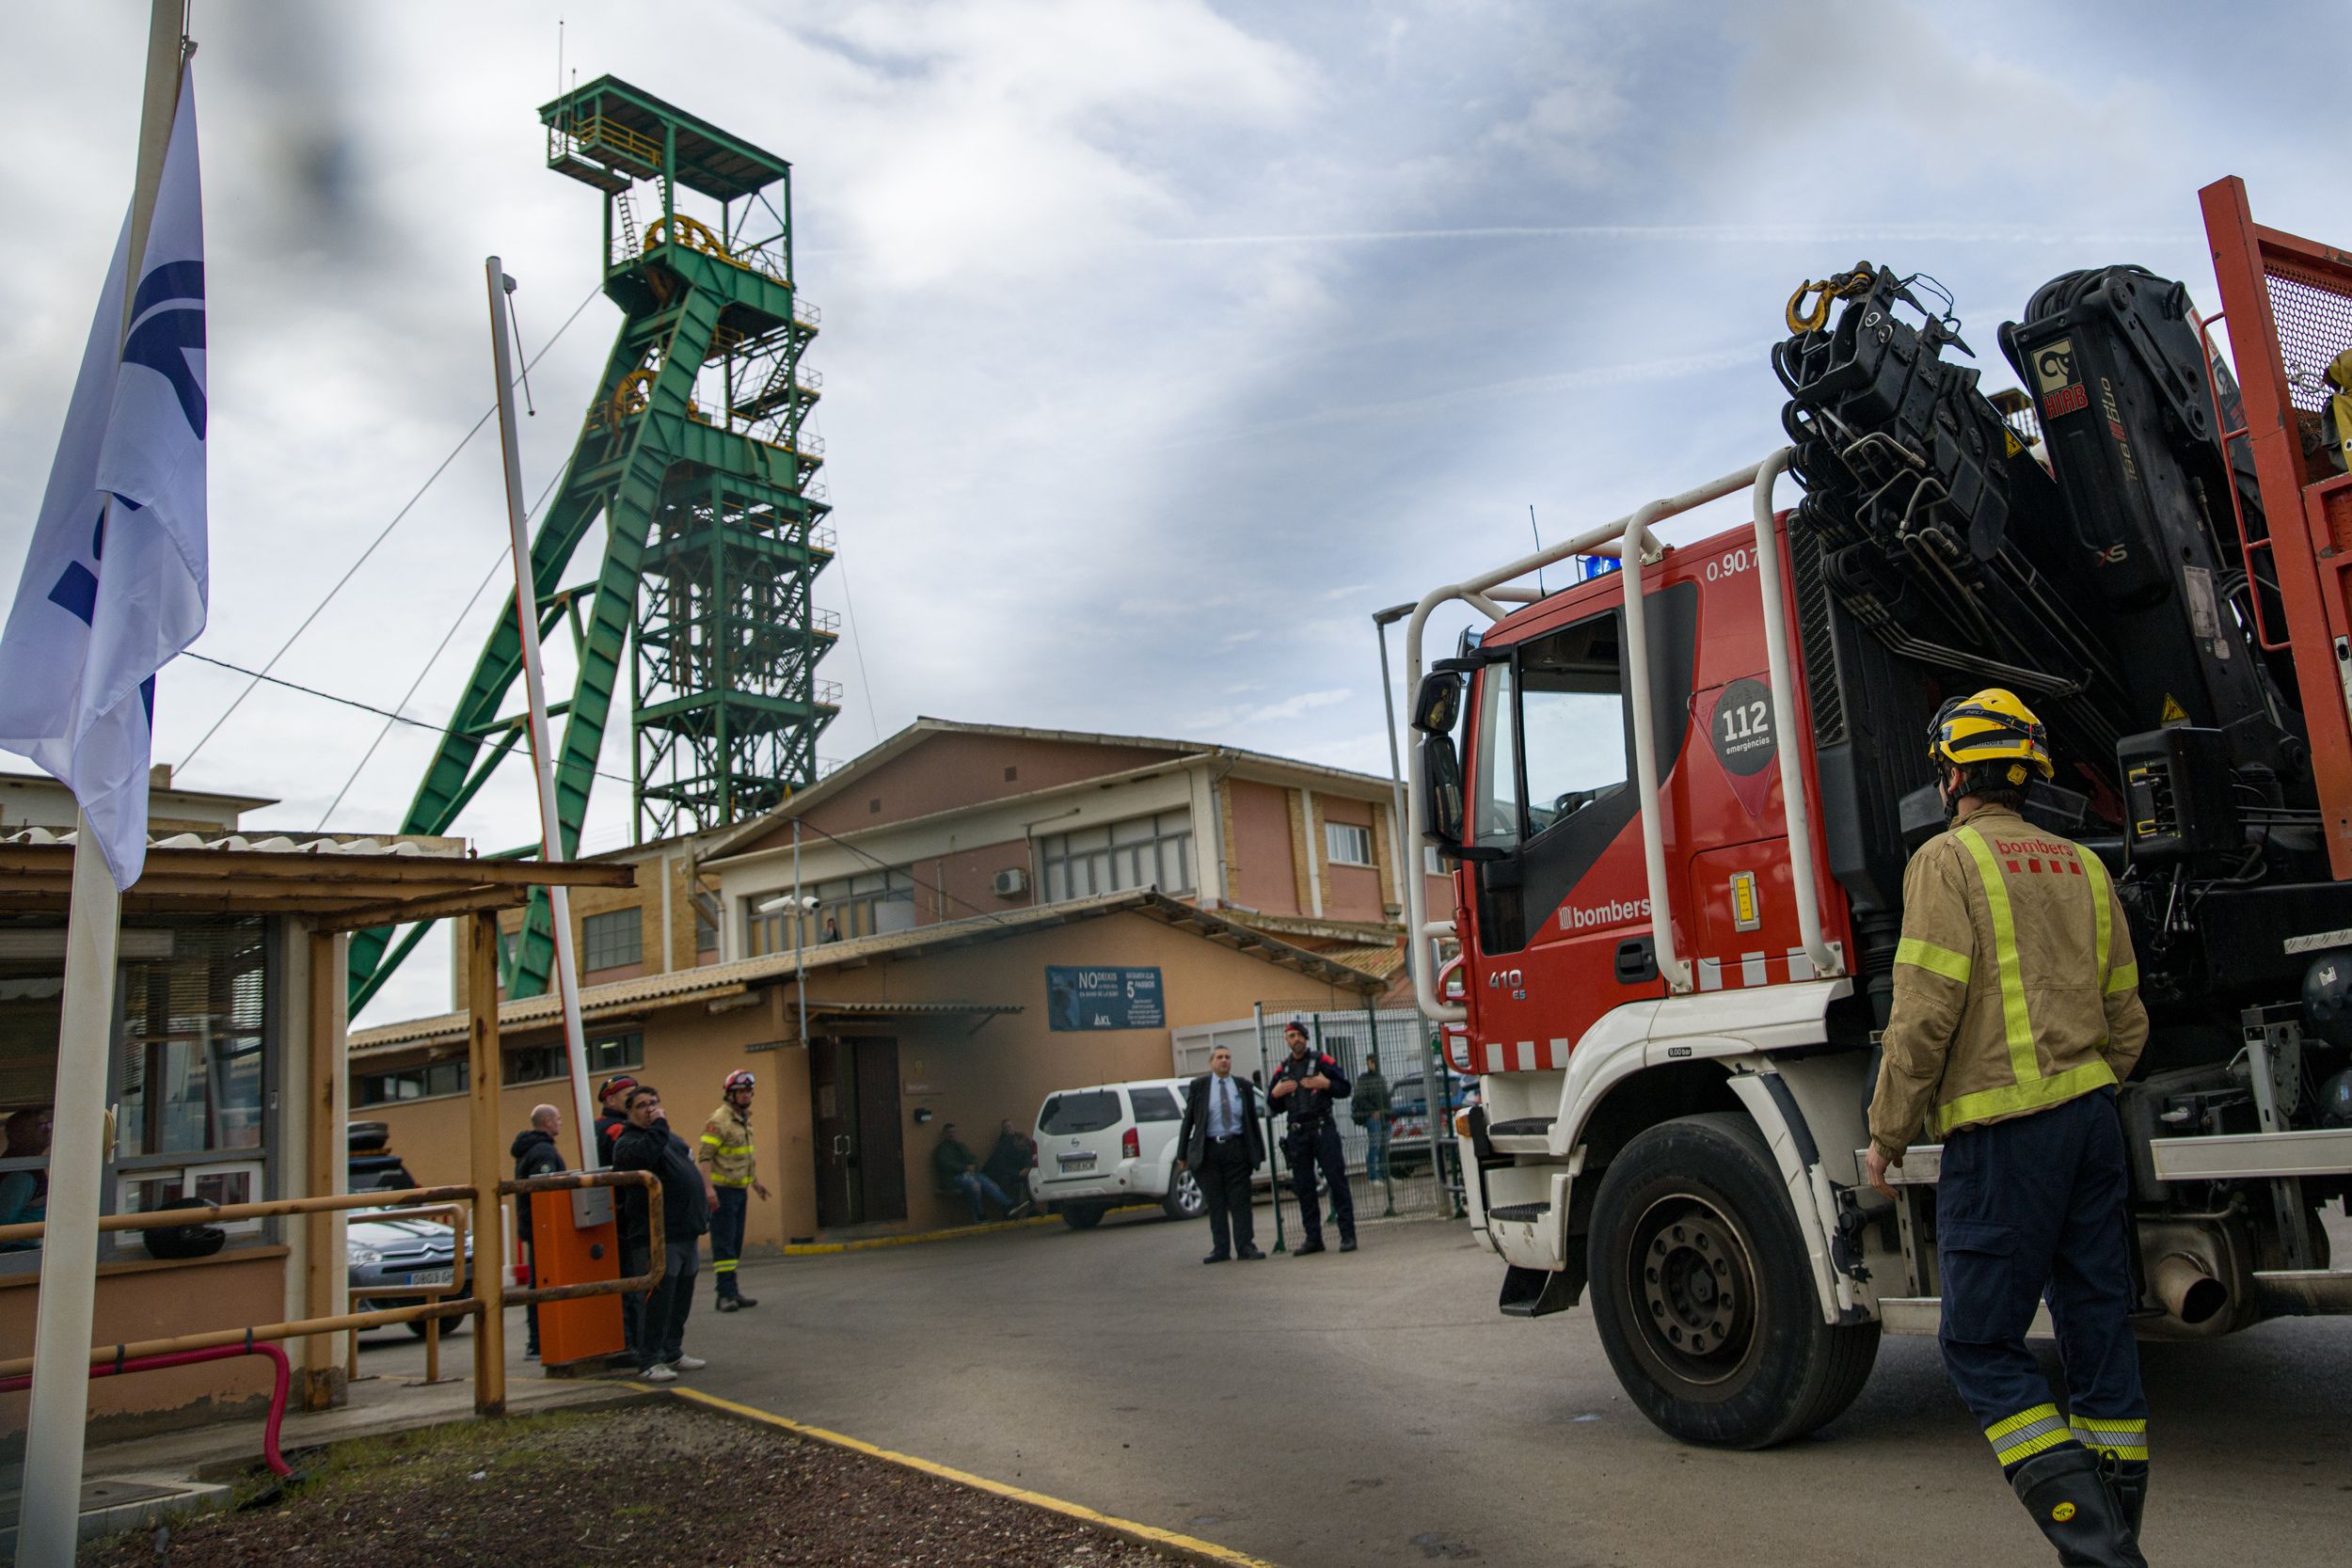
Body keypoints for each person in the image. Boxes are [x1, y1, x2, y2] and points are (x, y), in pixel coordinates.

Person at [1865, 689, 2151, 1568]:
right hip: (2091, 1125)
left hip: (2003, 1140)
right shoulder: (2083, 866)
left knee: (1981, 1341)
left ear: (1953, 772)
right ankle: (2106, 1542)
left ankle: (2107, 1556)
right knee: (2099, 1337)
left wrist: (1887, 1132)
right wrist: (2085, 1089)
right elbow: (2128, 1019)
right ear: (2027, 771)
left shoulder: (1945, 863)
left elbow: (1922, 1013)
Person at [612, 1085, 717, 1384]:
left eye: (654, 1103)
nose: (650, 1109)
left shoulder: (671, 1139)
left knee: (680, 1297)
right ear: (630, 1113)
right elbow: (645, 1156)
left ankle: (672, 1350)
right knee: (658, 1298)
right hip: (656, 1236)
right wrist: (658, 1126)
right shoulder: (629, 1142)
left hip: (685, 1232)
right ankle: (649, 1358)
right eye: (642, 1105)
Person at [1269, 1022, 1355, 1255]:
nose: (1294, 1039)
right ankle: (1313, 1239)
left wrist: (1325, 1084)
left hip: (1322, 1129)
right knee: (1305, 1188)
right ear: (1286, 1041)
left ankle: (1347, 1236)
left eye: (1298, 1035)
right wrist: (1275, 1094)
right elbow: (1272, 1104)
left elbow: (1345, 1088)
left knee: (1336, 1182)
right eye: (1290, 1036)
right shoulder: (1283, 1069)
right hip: (1297, 1134)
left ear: (1305, 1038)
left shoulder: (1322, 1061)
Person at [1176, 1046, 1263, 1263]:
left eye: (1227, 1057)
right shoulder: (1200, 1086)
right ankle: (1220, 1249)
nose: (1224, 1061)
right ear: (1211, 1062)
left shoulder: (1242, 1086)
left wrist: (1257, 1153)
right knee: (1216, 1202)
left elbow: (1252, 1121)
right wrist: (1182, 1154)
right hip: (1210, 1149)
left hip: (1236, 1148)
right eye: (1219, 1057)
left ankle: (1245, 1246)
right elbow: (1189, 1121)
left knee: (1240, 1201)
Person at [697, 1070, 771, 1312]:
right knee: (724, 1244)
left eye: (749, 1091)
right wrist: (708, 1190)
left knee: (735, 1244)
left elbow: (742, 1158)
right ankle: (725, 1295)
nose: (746, 1095)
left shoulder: (743, 1119)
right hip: (722, 1191)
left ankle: (732, 1291)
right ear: (730, 1094)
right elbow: (705, 1158)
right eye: (741, 1091)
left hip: (739, 1190)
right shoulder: (719, 1121)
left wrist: (756, 1183)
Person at [509, 1104, 565, 1358]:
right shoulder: (543, 1152)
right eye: (558, 1119)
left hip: (533, 1227)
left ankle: (538, 1341)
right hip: (543, 1227)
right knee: (543, 1283)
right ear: (547, 1121)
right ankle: (539, 1342)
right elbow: (547, 1190)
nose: (560, 1123)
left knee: (538, 1281)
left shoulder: (528, 1149)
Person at [931, 1123, 1018, 1223]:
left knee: (989, 1183)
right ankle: (979, 1215)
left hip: (969, 1174)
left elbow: (973, 1158)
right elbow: (946, 1165)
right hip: (953, 1178)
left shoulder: (961, 1146)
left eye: (953, 1132)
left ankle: (1008, 1205)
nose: (951, 1134)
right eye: (949, 1132)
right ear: (944, 1134)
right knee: (975, 1186)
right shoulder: (941, 1149)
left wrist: (973, 1166)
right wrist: (965, 1168)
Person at [0, 1108, 53, 1250]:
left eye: (48, 1124)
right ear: (18, 1135)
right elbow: (3, 1226)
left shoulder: (28, 1165)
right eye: (39, 1126)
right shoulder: (20, 1173)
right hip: (16, 1253)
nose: (48, 1130)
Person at [1353, 1053, 1392, 1184]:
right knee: (1374, 1146)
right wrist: (1372, 1111)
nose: (1373, 1064)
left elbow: (1386, 1098)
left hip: (1384, 1116)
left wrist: (1389, 1113)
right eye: (1371, 1062)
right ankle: (1373, 1177)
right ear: (1368, 1063)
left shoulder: (1380, 1078)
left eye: (1375, 1062)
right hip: (1374, 1117)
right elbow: (1359, 1098)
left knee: (1384, 1147)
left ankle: (1385, 1175)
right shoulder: (1364, 1079)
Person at [980, 1117, 1035, 1208]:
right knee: (1006, 1181)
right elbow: (1000, 1165)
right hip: (1008, 1174)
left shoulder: (1022, 1139)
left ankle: (1032, 1207)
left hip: (1022, 1171)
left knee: (1032, 1179)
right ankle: (1010, 1207)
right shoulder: (1002, 1146)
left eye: (1009, 1126)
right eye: (1005, 1128)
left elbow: (1029, 1155)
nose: (1008, 1129)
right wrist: (1017, 1173)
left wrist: (1027, 1167)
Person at [594, 1074, 638, 1166]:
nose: (636, 1100)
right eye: (629, 1095)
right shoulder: (617, 1129)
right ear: (611, 1100)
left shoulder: (596, 1125)